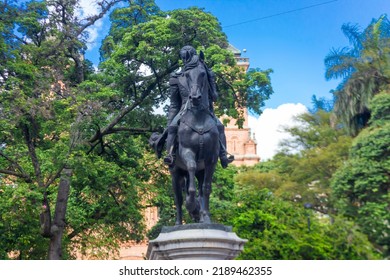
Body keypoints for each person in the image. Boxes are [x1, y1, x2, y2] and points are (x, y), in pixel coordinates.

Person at [163, 45, 234, 168]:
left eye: (187, 57)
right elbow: (174, 103)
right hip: (185, 110)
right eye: (183, 58)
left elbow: (214, 96)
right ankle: (170, 155)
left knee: (220, 126)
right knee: (173, 127)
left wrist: (212, 87)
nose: (185, 60)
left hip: (205, 110)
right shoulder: (176, 78)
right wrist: (169, 123)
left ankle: (223, 154)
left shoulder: (205, 73)